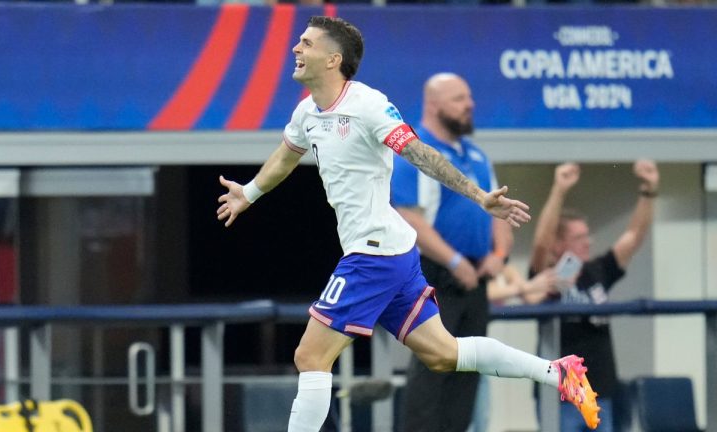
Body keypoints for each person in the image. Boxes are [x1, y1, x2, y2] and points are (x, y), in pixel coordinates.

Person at [217, 16, 600, 432]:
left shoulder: (367, 105)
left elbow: (421, 154)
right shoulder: (307, 110)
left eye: (306, 43)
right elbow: (287, 155)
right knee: (443, 354)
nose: (296, 48)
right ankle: (558, 373)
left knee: (310, 357)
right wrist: (250, 192)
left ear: (333, 59)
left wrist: (477, 197)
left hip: (374, 253)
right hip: (391, 252)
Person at [391, 72, 516, 432]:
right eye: (460, 98)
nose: (470, 105)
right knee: (432, 369)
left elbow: (498, 209)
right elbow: (408, 216)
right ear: (433, 104)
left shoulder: (477, 156)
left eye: (470, 97)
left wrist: (500, 254)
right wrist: (454, 260)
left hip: (475, 280)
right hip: (434, 275)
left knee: (469, 371)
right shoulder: (414, 152)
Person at [529, 160, 659, 431]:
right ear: (559, 244)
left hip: (601, 392)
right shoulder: (547, 276)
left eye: (587, 235)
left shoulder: (596, 271)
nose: (588, 242)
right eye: (579, 237)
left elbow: (633, 237)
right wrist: (559, 190)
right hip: (561, 394)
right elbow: (541, 242)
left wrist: (648, 191)